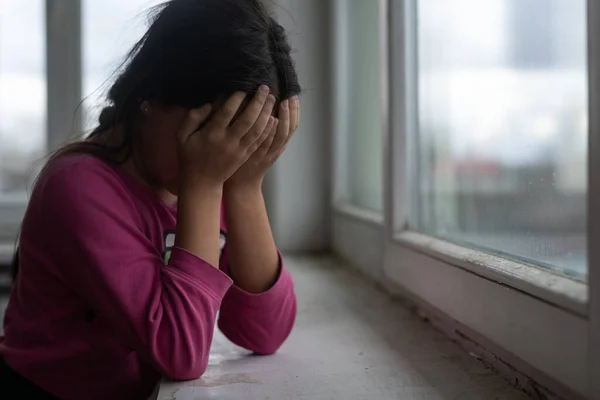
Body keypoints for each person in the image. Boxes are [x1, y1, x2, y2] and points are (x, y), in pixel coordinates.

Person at [0, 0, 301, 398]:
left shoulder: (205, 177)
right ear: (152, 96)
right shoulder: (78, 187)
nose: (223, 152)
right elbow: (180, 353)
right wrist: (206, 186)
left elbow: (264, 332)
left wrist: (244, 189)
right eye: (209, 130)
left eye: (241, 139)